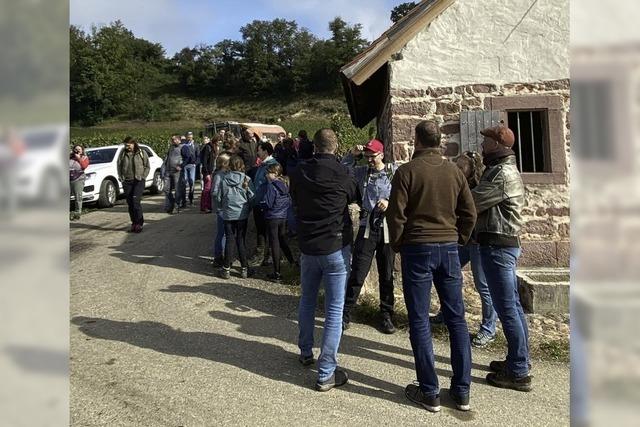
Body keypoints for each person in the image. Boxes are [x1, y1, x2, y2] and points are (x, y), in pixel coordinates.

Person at [386, 120, 476, 412]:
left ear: (417, 140)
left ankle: (430, 392)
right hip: (448, 247)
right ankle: (461, 392)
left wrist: (398, 245)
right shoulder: (454, 171)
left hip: (417, 248)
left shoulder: (406, 172)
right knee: (456, 319)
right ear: (441, 141)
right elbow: (469, 212)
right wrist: (459, 239)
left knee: (420, 320)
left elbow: (396, 215)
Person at [289, 128, 359, 392]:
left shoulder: (299, 172)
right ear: (336, 145)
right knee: (333, 309)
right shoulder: (343, 173)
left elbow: (294, 200)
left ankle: (306, 351)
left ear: (314, 146)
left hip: (308, 246)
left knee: (307, 300)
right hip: (335, 245)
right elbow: (355, 196)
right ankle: (326, 372)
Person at [473, 124, 531, 392]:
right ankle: (518, 361)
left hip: (498, 245)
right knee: (513, 307)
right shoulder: (500, 170)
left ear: (496, 144)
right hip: (502, 244)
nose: (482, 145)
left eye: (485, 141)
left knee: (507, 308)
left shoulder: (500, 174)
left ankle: (518, 371)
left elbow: (472, 202)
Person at [430, 151, 498, 348]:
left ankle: (488, 329)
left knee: (483, 286)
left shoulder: (479, 188)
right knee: (445, 274)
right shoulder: (457, 184)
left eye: (462, 166)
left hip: (476, 242)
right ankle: (447, 312)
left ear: (472, 169)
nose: (458, 169)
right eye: (456, 165)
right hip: (462, 240)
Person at [341, 139, 397, 334]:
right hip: (367, 228)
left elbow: (406, 193)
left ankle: (386, 315)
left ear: (381, 154)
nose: (369, 160)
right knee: (358, 271)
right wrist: (352, 155)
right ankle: (345, 313)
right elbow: (341, 169)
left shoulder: (394, 172)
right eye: (366, 157)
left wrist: (391, 203)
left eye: (372, 156)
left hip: (388, 229)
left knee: (387, 273)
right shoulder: (362, 172)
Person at [216, 155, 255, 279]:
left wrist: (221, 208)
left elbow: (218, 197)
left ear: (230, 166)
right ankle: (244, 268)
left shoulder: (224, 179)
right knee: (240, 240)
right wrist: (248, 208)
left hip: (228, 214)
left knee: (229, 240)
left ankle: (226, 268)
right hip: (242, 214)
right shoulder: (246, 179)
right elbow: (253, 197)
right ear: (242, 165)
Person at [260, 163, 296, 282]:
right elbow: (288, 201)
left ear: (274, 174)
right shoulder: (285, 184)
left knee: (274, 242)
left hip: (272, 216)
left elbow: (269, 203)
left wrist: (262, 205)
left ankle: (277, 272)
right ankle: (292, 261)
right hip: (283, 216)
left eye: (268, 173)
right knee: (282, 239)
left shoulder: (272, 186)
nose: (266, 175)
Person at [250, 142, 280, 266]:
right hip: (259, 202)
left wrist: (265, 201)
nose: (257, 152)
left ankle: (264, 255)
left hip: (265, 203)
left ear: (266, 152)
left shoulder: (272, 166)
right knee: (261, 230)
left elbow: (271, 186)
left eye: (259, 150)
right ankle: (264, 254)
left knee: (265, 231)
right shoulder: (263, 165)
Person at [117, 136, 150, 233]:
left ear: (134, 144)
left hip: (138, 181)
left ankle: (139, 223)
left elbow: (147, 166)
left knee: (136, 202)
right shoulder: (123, 154)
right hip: (127, 181)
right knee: (130, 203)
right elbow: (119, 165)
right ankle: (134, 223)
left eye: (129, 145)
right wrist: (121, 177)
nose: (127, 147)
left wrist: (143, 177)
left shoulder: (141, 153)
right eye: (126, 145)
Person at [211, 153, 230, 267]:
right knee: (221, 233)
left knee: (225, 233)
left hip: (225, 208)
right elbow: (214, 192)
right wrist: (221, 200)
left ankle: (223, 255)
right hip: (221, 209)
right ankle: (218, 256)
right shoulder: (219, 175)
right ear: (224, 164)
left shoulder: (226, 174)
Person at [163, 135, 183, 214]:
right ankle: (171, 203)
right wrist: (163, 169)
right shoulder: (171, 147)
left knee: (177, 190)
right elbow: (167, 158)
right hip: (168, 171)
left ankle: (176, 205)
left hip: (176, 172)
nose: (173, 140)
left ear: (179, 140)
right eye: (172, 139)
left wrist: (180, 165)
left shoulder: (182, 148)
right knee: (166, 189)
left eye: (174, 139)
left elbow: (187, 157)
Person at [69, 145, 90, 220]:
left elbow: (84, 166)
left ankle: (77, 212)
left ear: (82, 150)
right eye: (76, 149)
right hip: (69, 178)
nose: (77, 150)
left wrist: (78, 158)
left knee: (78, 196)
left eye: (79, 149)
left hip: (78, 178)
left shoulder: (84, 158)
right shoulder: (70, 158)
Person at [179, 131, 198, 207]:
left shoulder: (196, 145)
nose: (189, 138)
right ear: (186, 137)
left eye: (190, 136)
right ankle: (184, 201)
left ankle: (191, 200)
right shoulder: (183, 145)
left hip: (192, 166)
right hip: (184, 165)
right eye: (188, 137)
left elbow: (198, 155)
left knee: (192, 182)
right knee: (184, 183)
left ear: (192, 137)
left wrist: (195, 163)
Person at [199, 135, 217, 213]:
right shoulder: (208, 147)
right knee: (207, 189)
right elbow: (204, 161)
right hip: (208, 171)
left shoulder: (212, 147)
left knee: (207, 189)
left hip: (211, 171)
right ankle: (206, 207)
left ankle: (205, 206)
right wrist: (206, 173)